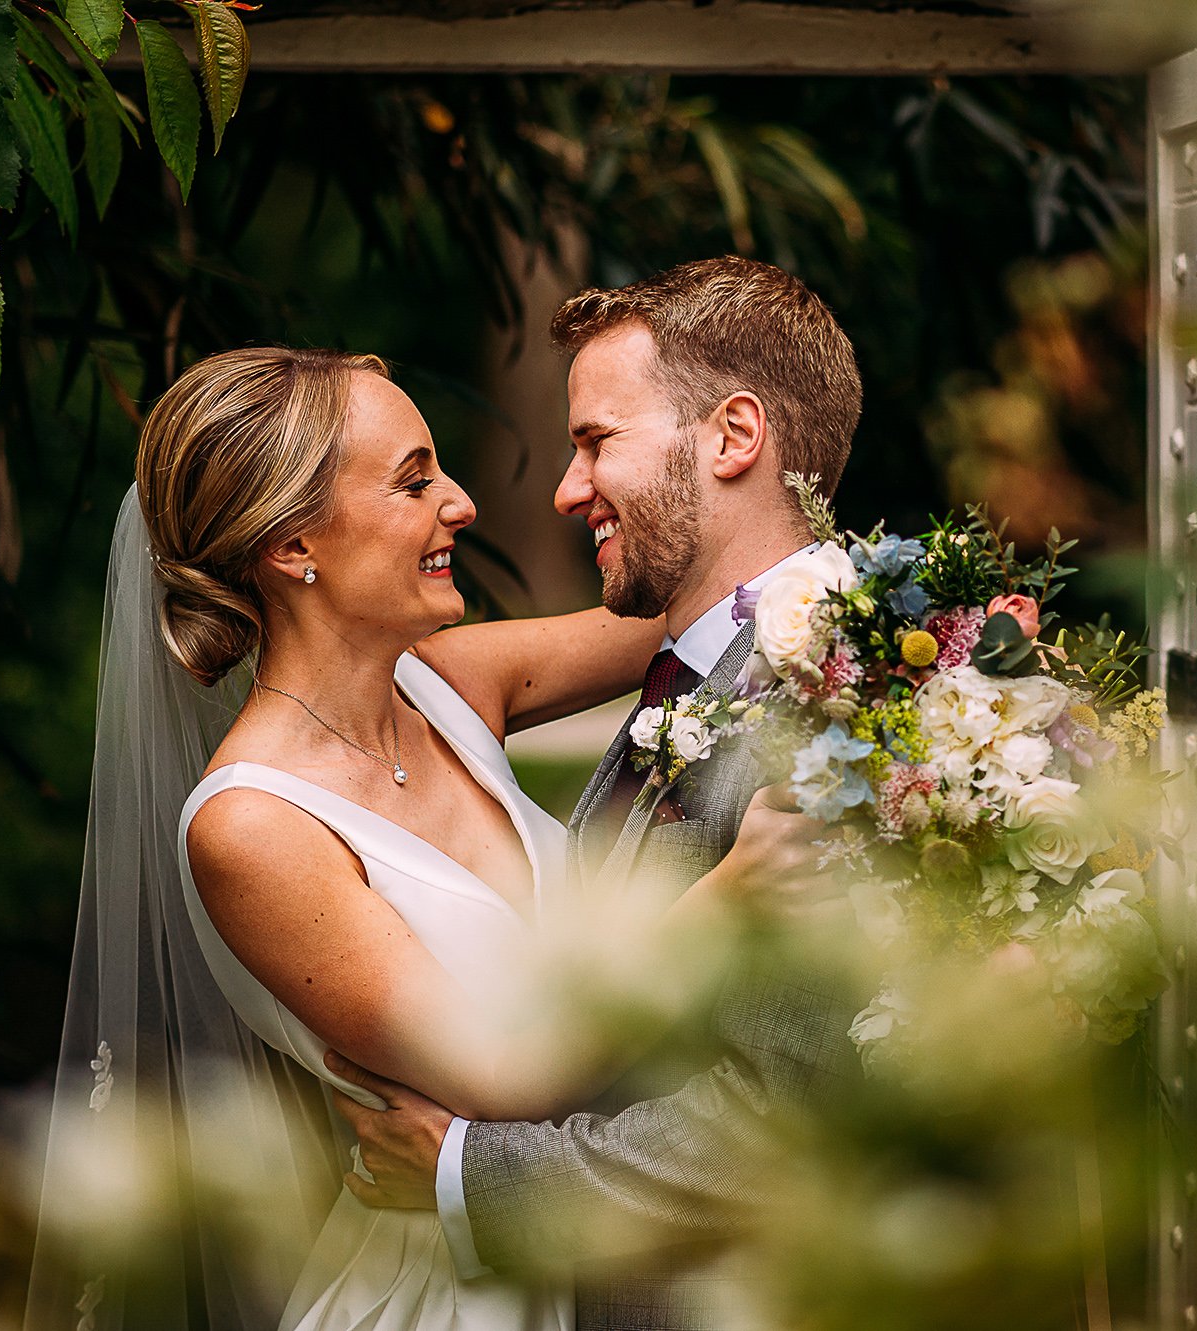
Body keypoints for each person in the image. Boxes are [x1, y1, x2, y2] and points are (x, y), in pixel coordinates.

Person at [24, 343, 824, 1331]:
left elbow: (726, 597)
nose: (461, 503)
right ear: (292, 546)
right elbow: (500, 1068)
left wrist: (930, 635)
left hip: (597, 1242)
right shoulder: (251, 825)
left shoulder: (451, 682)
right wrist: (727, 899)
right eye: (414, 481)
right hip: (454, 1288)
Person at [326, 256, 866, 1330]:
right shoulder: (719, 662)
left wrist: (469, 1173)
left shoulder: (832, 708)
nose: (568, 490)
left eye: (595, 441)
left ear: (732, 437)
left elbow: (789, 1117)